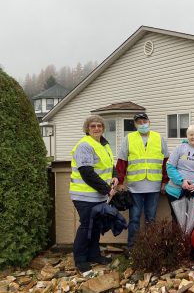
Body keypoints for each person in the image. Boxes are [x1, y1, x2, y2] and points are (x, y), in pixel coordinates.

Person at [69, 115, 118, 273]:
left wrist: (115, 176)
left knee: (95, 226)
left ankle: (94, 255)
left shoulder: (103, 144)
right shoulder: (85, 145)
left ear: (103, 128)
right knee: (86, 226)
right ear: (87, 129)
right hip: (84, 195)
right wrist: (107, 189)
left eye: (99, 125)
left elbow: (110, 164)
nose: (97, 128)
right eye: (93, 126)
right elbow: (86, 172)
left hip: (97, 195)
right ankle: (81, 260)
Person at [116, 113, 169, 250]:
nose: (142, 124)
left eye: (144, 121)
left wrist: (165, 181)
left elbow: (165, 162)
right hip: (135, 186)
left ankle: (149, 248)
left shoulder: (159, 138)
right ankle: (132, 249)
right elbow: (122, 162)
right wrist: (120, 182)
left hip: (154, 186)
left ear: (149, 122)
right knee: (134, 218)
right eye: (138, 122)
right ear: (135, 124)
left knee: (151, 219)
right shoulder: (128, 138)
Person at [165, 125, 194, 221]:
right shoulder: (180, 148)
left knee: (193, 221)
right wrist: (181, 182)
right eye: (191, 135)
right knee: (177, 220)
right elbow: (170, 167)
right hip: (176, 191)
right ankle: (178, 237)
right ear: (187, 136)